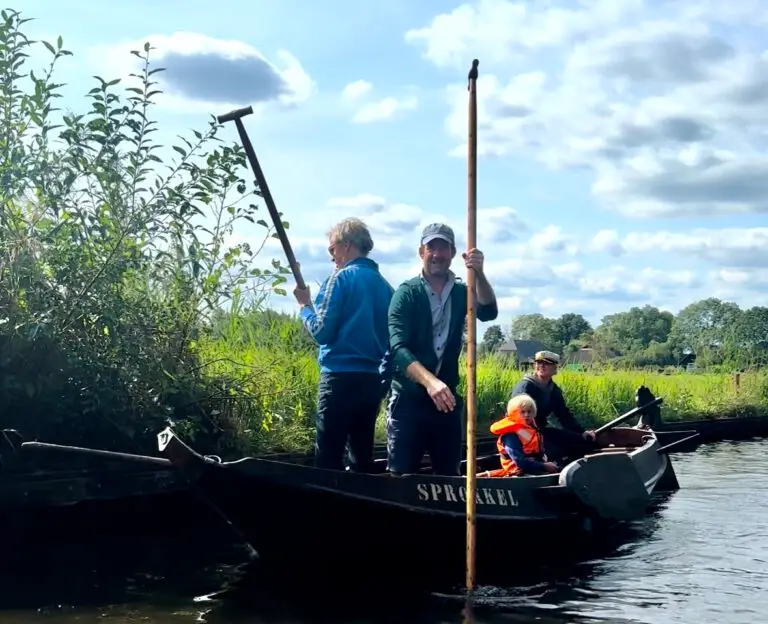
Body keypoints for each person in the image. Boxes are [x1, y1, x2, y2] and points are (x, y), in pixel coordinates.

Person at [386, 222, 498, 476]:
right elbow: (398, 349)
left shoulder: (462, 291)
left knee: (449, 476)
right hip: (409, 399)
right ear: (421, 252)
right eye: (431, 248)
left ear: (453, 253)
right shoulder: (406, 294)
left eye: (443, 248)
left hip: (445, 402)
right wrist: (430, 383)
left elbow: (489, 312)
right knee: (402, 475)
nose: (437, 254)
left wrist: (478, 272)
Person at [293, 217, 394, 473]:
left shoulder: (339, 279)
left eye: (332, 249)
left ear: (347, 245)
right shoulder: (387, 288)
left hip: (338, 380)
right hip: (371, 382)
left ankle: (326, 508)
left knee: (328, 459)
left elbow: (321, 331)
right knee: (361, 458)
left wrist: (305, 306)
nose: (332, 256)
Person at [509, 350, 597, 464]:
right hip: (522, 432)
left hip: (540, 430)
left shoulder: (554, 389)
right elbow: (515, 415)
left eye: (546, 363)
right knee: (555, 452)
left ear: (555, 368)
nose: (541, 365)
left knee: (581, 442)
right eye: (539, 362)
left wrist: (581, 432)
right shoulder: (525, 386)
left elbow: (563, 415)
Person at [479, 394, 559, 477]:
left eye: (529, 411)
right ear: (514, 413)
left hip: (532, 467)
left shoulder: (530, 429)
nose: (526, 415)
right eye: (522, 412)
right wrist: (543, 466)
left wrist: (546, 463)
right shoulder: (511, 435)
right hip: (518, 471)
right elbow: (520, 461)